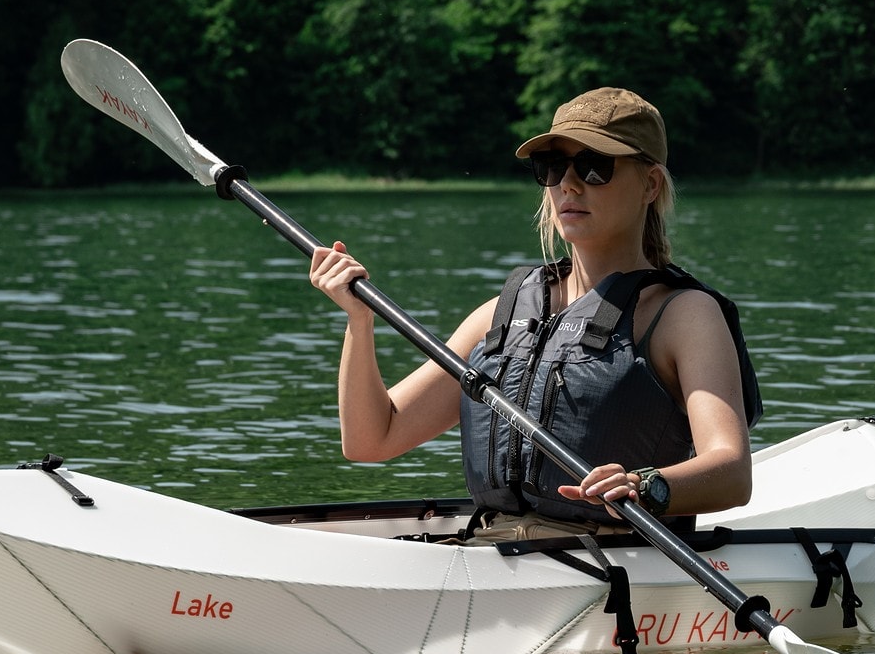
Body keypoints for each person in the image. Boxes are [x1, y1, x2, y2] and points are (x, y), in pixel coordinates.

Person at [307, 87, 759, 542]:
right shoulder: (502, 314)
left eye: (595, 166)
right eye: (553, 166)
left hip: (612, 558)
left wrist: (644, 487)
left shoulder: (683, 315)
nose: (569, 184)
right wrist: (359, 321)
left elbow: (732, 474)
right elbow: (372, 438)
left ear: (651, 184)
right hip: (491, 550)